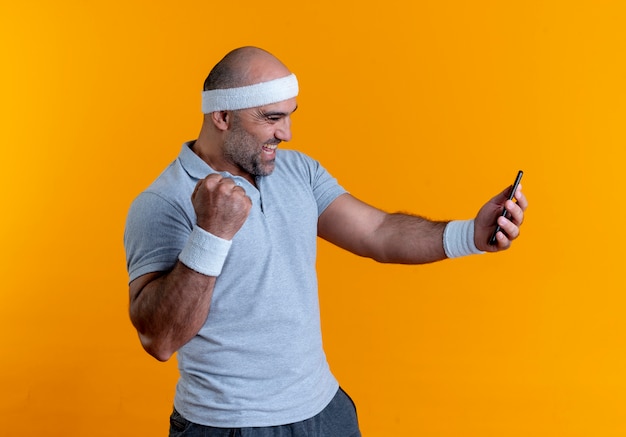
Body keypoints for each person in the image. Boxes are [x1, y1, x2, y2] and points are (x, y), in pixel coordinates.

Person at [124, 46, 528, 437]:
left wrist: (468, 235)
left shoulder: (298, 171)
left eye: (289, 116)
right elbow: (159, 340)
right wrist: (212, 233)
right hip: (230, 424)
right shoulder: (163, 202)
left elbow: (378, 233)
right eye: (271, 118)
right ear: (222, 115)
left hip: (323, 410)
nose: (286, 133)